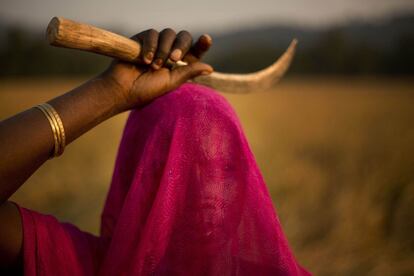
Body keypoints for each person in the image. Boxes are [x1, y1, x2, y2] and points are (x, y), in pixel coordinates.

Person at [0, 29, 310, 275]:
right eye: (179, 166)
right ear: (138, 175)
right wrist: (111, 91)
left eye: (222, 167)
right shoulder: (83, 265)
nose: (208, 191)